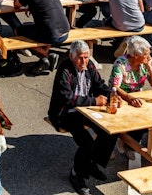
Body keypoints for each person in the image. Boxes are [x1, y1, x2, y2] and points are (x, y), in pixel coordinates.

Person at [47, 40, 115, 195]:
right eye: (80, 58)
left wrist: (112, 96)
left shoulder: (89, 65)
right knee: (87, 143)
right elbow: (67, 98)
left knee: (109, 131)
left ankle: (91, 163)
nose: (84, 61)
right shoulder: (65, 69)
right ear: (71, 56)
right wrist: (94, 101)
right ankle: (76, 175)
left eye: (86, 57)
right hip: (65, 113)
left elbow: (99, 85)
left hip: (85, 111)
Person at [14, 0, 70, 75]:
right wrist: (31, 6)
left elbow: (16, 4)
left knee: (18, 31)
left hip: (52, 35)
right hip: (65, 31)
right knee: (46, 27)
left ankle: (46, 55)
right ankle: (44, 59)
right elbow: (43, 2)